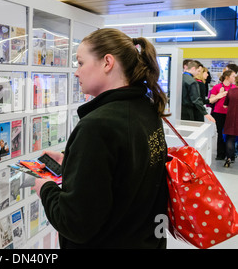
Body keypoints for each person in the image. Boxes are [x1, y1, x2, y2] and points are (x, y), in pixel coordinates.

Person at [32, 28, 169, 248]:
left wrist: (45, 187)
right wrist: (72, 162)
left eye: (80, 63)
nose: (76, 72)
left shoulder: (97, 126)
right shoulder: (147, 109)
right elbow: (126, 172)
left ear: (107, 62)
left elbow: (75, 223)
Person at [210, 70, 237, 160]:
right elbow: (211, 100)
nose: (234, 78)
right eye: (233, 76)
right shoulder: (217, 87)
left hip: (231, 115)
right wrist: (219, 94)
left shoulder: (234, 87)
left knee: (230, 135)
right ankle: (220, 154)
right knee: (220, 134)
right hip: (218, 113)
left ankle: (230, 155)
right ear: (227, 77)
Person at [223, 86, 238, 167]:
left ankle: (228, 159)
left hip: (231, 118)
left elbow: (225, 105)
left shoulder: (231, 91)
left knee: (230, 139)